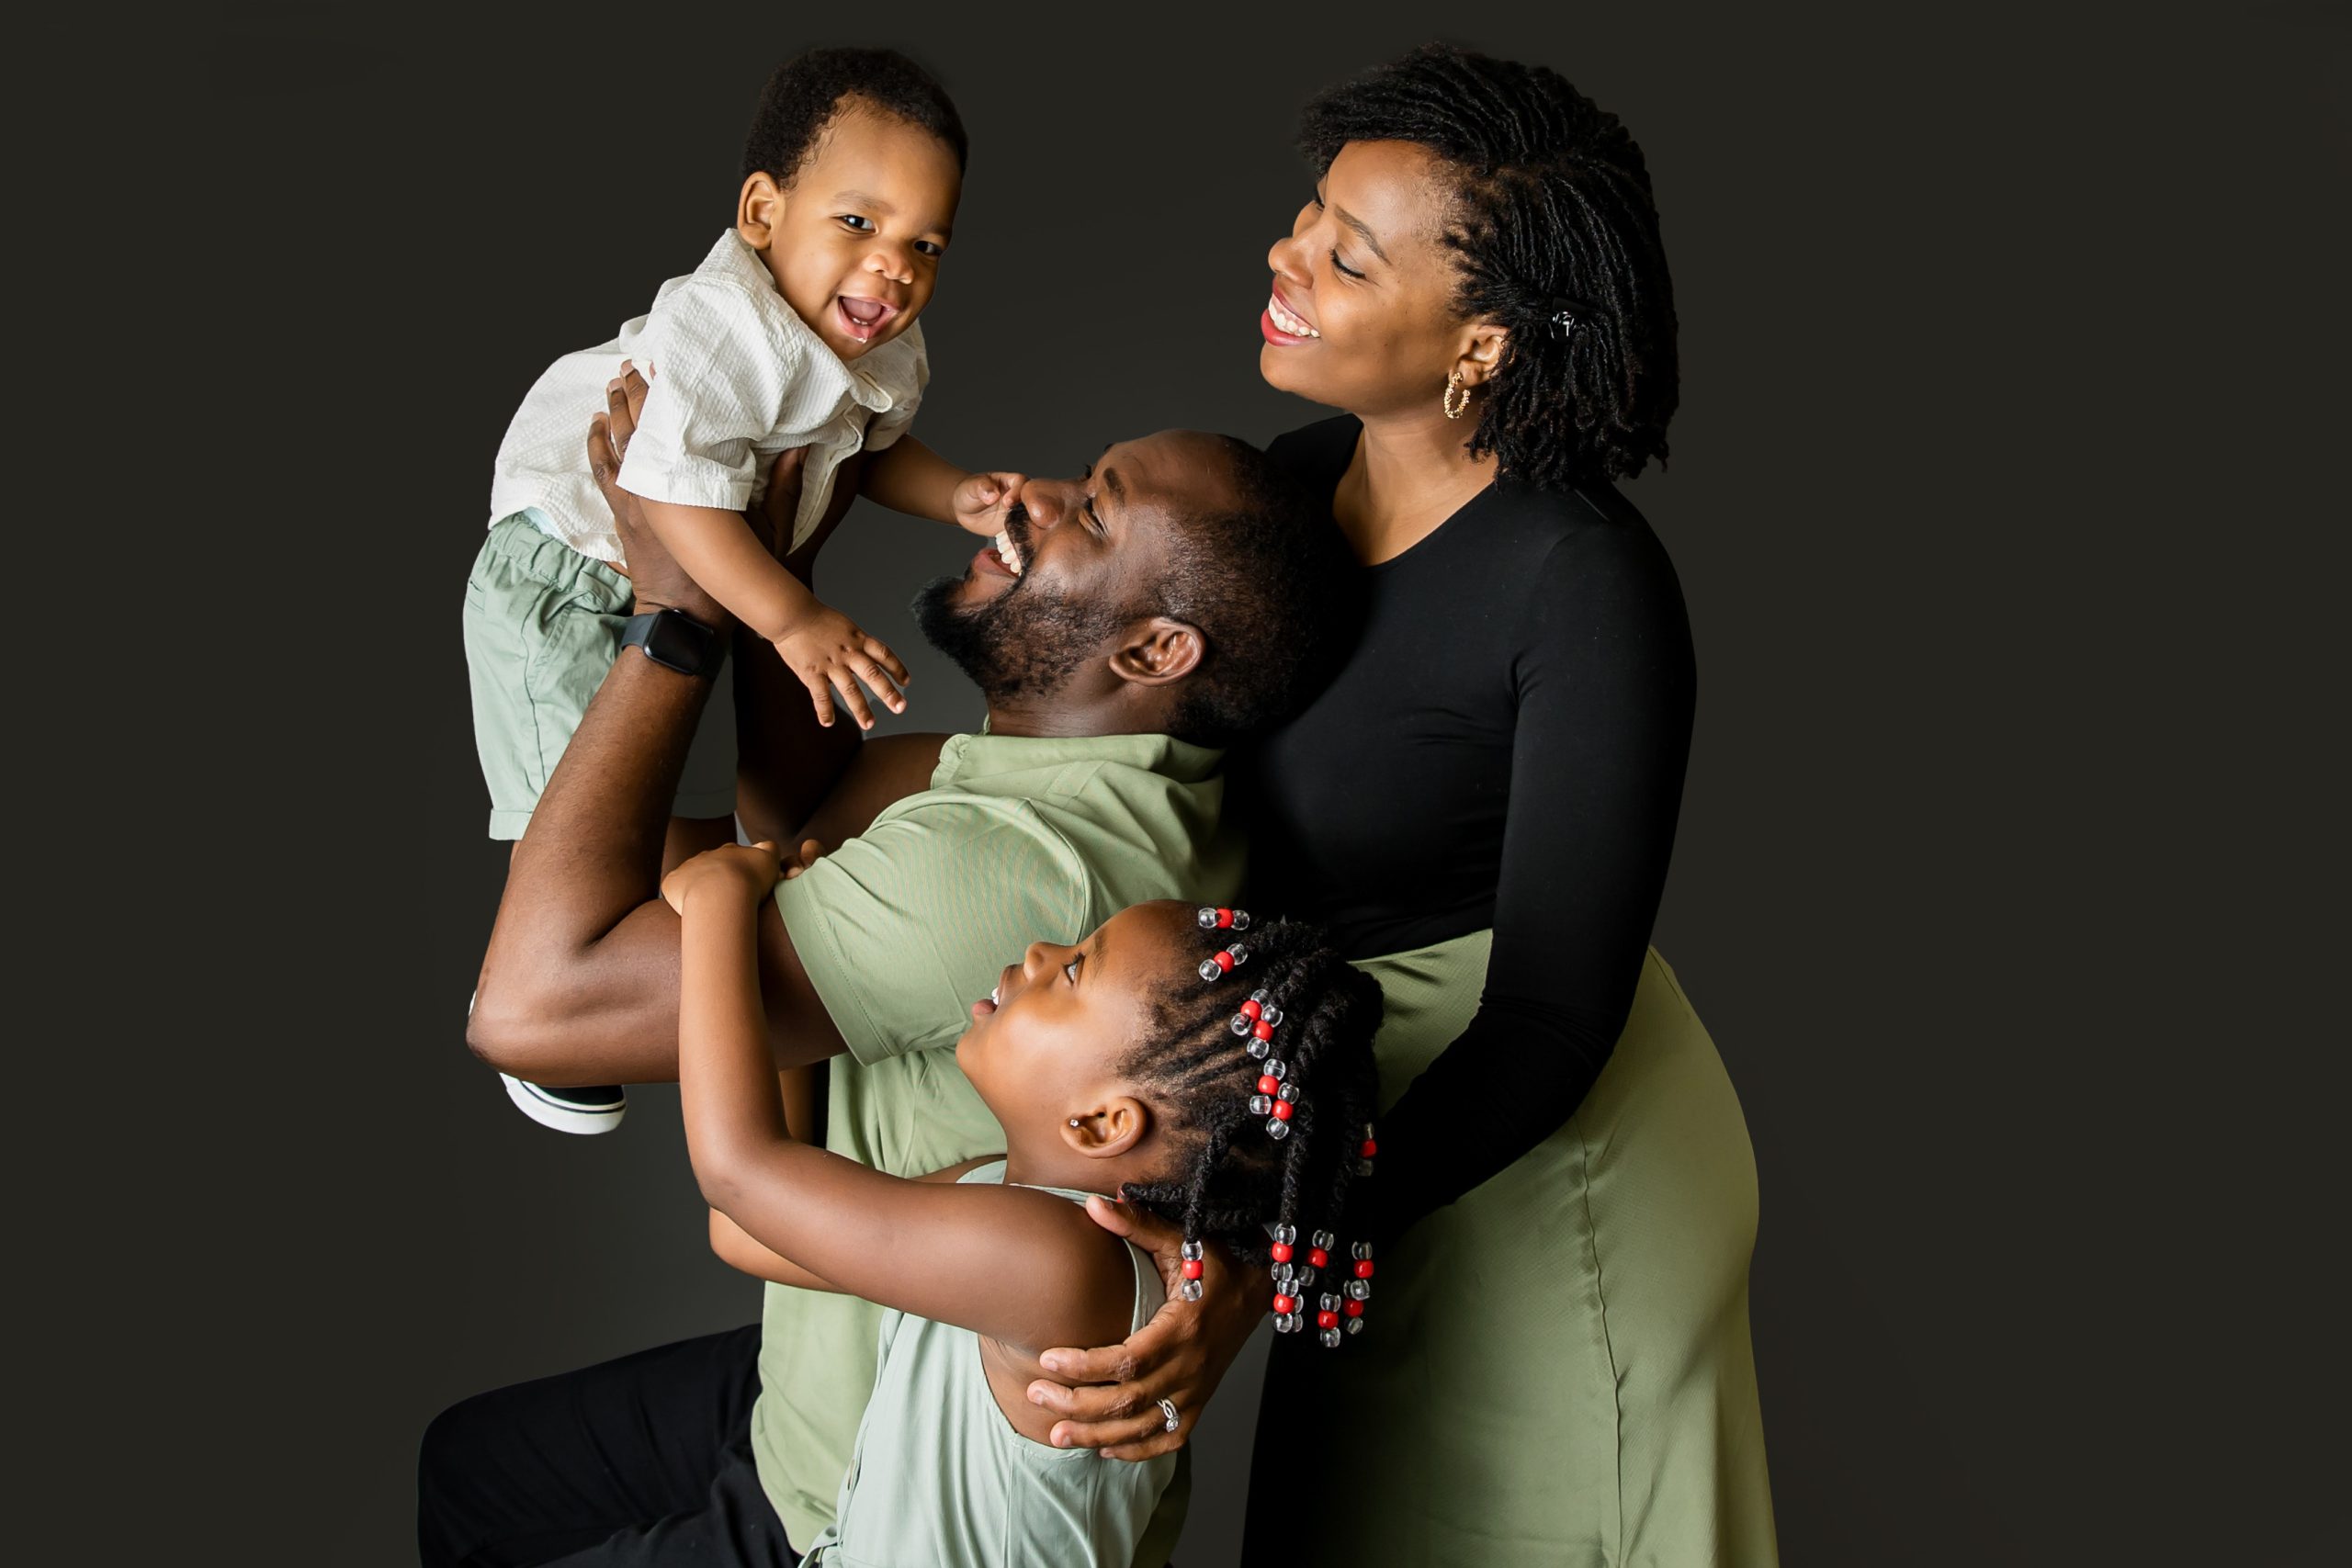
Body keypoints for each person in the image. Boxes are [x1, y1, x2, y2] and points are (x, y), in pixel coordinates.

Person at [1019, 45, 1779, 1566]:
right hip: (1334, 1115)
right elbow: (1104, 743)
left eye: (1345, 256)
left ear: (1480, 343)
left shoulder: (1583, 586)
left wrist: (1267, 1240)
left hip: (1533, 1160)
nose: (1285, 258)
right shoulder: (1278, 495)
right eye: (1308, 212)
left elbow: (1553, 1026)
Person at [424, 369, 1357, 1565]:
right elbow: (802, 808)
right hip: (799, 1385)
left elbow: (530, 1009)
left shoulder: (1016, 869)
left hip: (842, 1499)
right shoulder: (1117, 784)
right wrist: (757, 537)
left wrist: (678, 613)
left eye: (1094, 510)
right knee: (472, 1471)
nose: (1029, 496)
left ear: (1159, 644)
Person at [463, 47, 1025, 1135]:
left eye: (925, 244)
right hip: (567, 570)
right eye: (857, 225)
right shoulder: (726, 329)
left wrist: (957, 494)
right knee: (575, 816)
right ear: (763, 212)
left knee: (665, 824)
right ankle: (534, 992)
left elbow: (866, 451)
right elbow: (665, 497)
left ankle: (649, 956)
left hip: (687, 567)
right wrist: (791, 619)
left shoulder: (875, 347)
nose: (893, 269)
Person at [664, 862, 1382, 1567]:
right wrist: (762, 936)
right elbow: (748, 1230)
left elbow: (739, 1176)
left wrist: (718, 897)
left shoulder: (1057, 1261)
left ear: (1101, 1124)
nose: (1039, 951)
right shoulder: (1014, 1209)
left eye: (1072, 971)